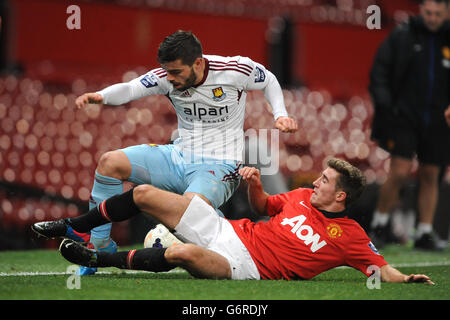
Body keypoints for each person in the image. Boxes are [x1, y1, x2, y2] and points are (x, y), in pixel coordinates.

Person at [70, 30, 297, 274]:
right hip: (178, 156)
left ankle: (222, 237)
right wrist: (101, 96)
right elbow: (130, 89)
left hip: (219, 166)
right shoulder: (166, 77)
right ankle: (100, 246)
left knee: (191, 211)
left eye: (176, 72)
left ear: (198, 63)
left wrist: (280, 114)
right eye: (167, 71)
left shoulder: (233, 70)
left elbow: (269, 79)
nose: (170, 78)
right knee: (110, 162)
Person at [32, 158, 433, 284]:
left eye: (325, 180)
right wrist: (255, 185)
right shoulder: (297, 197)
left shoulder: (349, 236)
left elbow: (379, 267)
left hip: (247, 269)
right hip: (228, 230)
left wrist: (407, 279)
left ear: (340, 196)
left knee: (181, 253)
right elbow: (262, 207)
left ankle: (98, 260)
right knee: (141, 194)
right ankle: (72, 224)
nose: (316, 180)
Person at [368, 0, 450, 250]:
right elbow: (379, 70)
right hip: (404, 116)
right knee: (400, 172)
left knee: (430, 174)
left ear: (446, 11)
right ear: (421, 9)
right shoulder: (403, 35)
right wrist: (385, 105)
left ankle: (424, 232)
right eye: (428, 12)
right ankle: (379, 225)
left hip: (439, 120)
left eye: (438, 13)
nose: (432, 17)